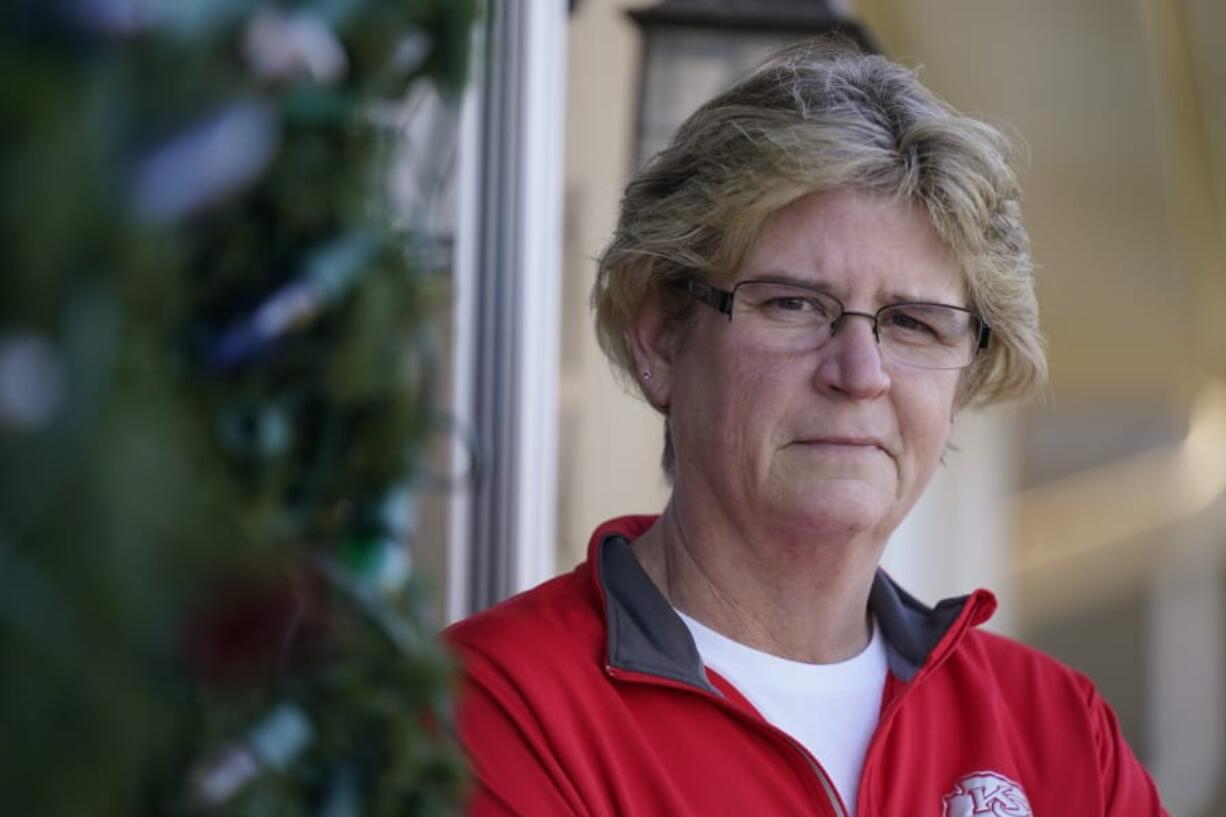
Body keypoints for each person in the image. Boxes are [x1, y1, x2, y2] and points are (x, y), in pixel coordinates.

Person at [444, 39, 1168, 816]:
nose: (860, 373)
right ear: (659, 336)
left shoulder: (1057, 730)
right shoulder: (496, 710)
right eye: (792, 303)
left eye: (916, 324)